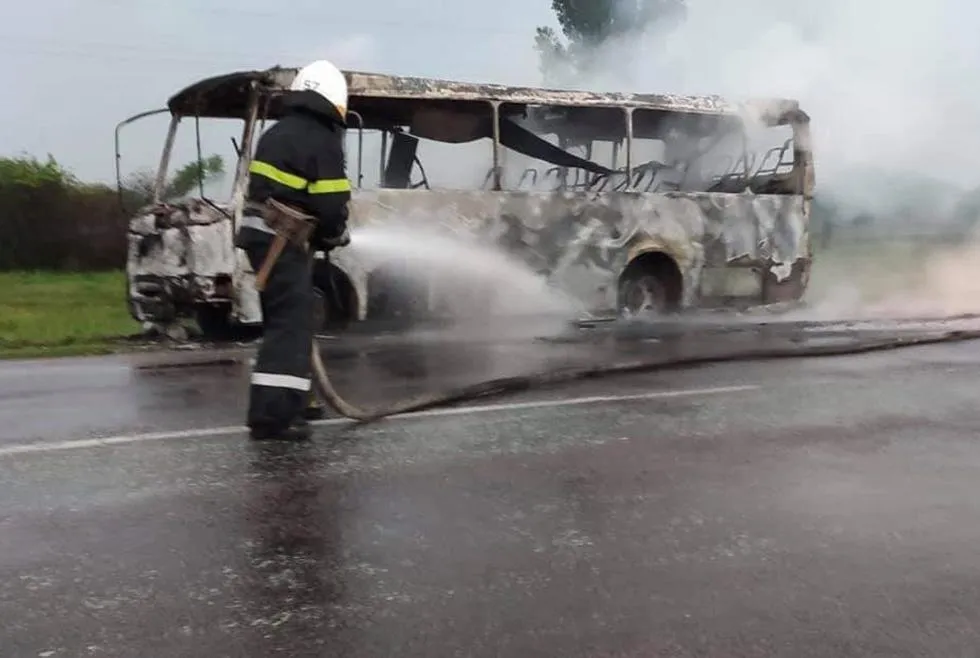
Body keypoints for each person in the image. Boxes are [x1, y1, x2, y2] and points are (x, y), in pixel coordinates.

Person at [235, 59, 352, 441]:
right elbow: (332, 204)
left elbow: (280, 191)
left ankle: (298, 402)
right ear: (335, 101)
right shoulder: (322, 139)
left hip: (260, 237)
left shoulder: (278, 132)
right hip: (280, 240)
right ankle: (273, 418)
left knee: (287, 321)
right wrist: (333, 231)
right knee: (292, 324)